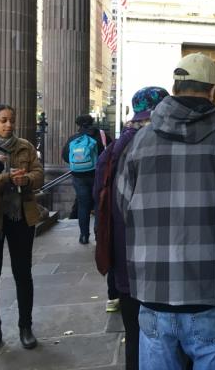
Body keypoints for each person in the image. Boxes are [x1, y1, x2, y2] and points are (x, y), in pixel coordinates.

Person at [115, 53, 215, 369]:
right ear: (213, 92)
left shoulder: (139, 143)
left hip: (155, 290)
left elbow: (124, 209)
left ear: (175, 88)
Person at [93, 86, 169, 370]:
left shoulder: (114, 148)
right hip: (155, 260)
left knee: (135, 337)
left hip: (123, 257)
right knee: (159, 340)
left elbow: (99, 201)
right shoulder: (154, 145)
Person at [0, 104, 44, 353]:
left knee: (22, 273)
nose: (9, 125)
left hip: (20, 217)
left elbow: (39, 174)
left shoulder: (25, 146)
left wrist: (26, 179)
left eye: (11, 120)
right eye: (3, 120)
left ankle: (25, 327)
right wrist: (5, 178)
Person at [62, 114, 111, 244]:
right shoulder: (102, 135)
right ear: (92, 122)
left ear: (78, 124)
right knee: (98, 204)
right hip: (98, 175)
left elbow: (66, 157)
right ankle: (98, 234)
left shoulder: (74, 138)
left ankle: (84, 236)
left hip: (79, 177)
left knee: (83, 206)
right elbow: (111, 152)